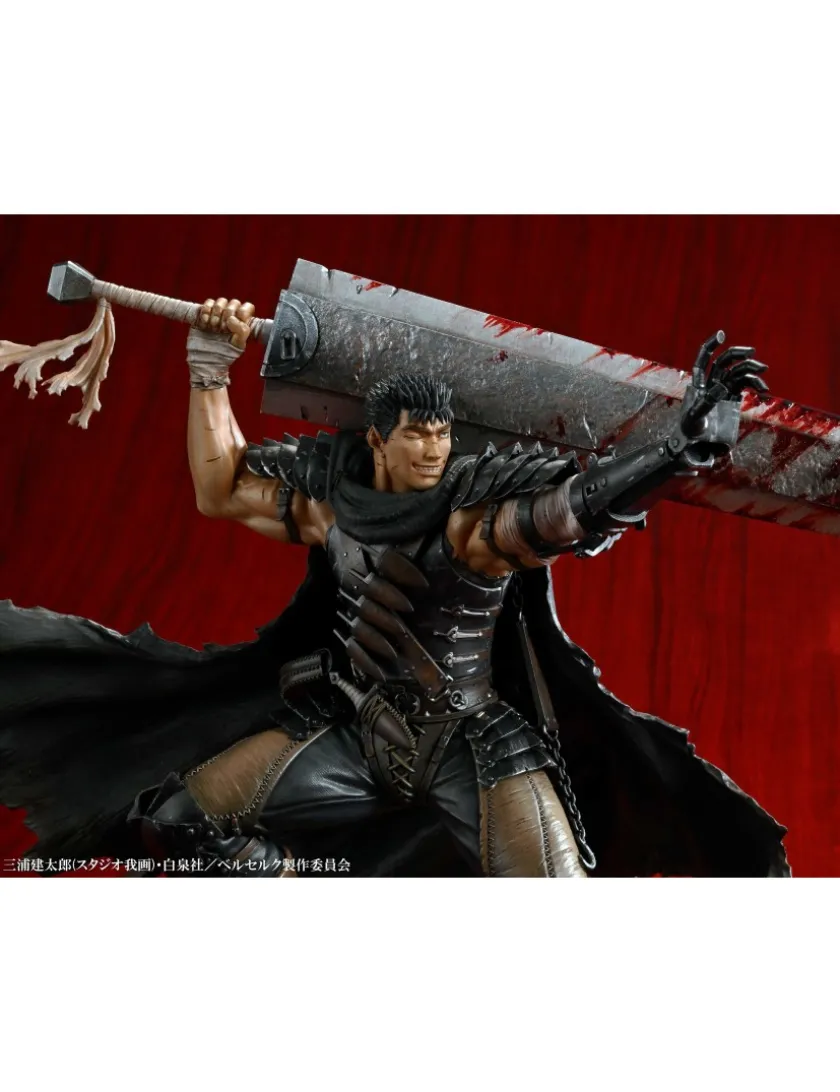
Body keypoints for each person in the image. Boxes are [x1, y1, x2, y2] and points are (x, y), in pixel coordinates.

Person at [117, 295, 788, 878]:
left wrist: (676, 450)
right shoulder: (332, 508)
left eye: (442, 434)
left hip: (471, 744)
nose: (435, 449)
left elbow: (571, 510)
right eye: (417, 435)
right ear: (377, 440)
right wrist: (210, 368)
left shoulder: (469, 524)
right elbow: (222, 489)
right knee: (176, 822)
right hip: (357, 730)